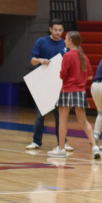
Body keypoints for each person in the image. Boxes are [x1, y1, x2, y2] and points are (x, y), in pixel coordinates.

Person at [46, 31, 100, 159]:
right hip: (80, 91)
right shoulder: (83, 56)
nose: (64, 41)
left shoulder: (68, 56)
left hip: (67, 90)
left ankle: (61, 149)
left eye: (66, 38)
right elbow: (90, 75)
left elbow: (62, 75)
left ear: (70, 40)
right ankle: (95, 146)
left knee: (62, 120)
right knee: (83, 120)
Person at [26, 19, 74, 151]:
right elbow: (32, 60)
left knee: (60, 116)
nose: (58, 33)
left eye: (60, 30)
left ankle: (62, 142)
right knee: (39, 115)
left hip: (59, 85)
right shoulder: (41, 41)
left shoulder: (66, 44)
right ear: (50, 29)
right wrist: (41, 60)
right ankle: (36, 141)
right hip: (44, 84)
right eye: (55, 30)